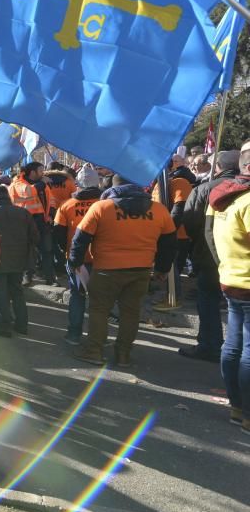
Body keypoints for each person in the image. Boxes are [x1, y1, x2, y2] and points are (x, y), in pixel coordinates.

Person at [69, 175, 177, 367]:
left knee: (99, 310)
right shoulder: (159, 210)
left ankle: (94, 350)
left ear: (113, 186)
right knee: (131, 312)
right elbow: (169, 243)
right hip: (141, 269)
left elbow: (80, 238)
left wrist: (75, 262)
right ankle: (123, 355)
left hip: (106, 269)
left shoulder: (102, 207)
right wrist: (162, 269)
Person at [205, 143, 250, 433]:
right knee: (246, 350)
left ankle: (237, 405)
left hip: (230, 277)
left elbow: (210, 233)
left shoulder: (222, 195)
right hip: (246, 281)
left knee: (233, 344)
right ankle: (247, 411)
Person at [180, 150, 240, 362]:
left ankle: (210, 345)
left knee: (209, 300)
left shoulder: (205, 189)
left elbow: (190, 221)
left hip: (210, 256)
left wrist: (198, 245)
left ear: (217, 168)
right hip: (236, 259)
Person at [52, 166, 102, 345]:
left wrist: (66, 250)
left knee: (77, 296)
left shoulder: (67, 205)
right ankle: (99, 337)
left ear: (78, 184)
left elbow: (58, 233)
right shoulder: (106, 204)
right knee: (101, 300)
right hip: (103, 259)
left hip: (76, 260)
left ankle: (74, 334)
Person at [0, 185, 38, 337]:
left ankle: (4, 325)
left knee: (0, 293)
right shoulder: (23, 212)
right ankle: (21, 324)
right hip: (19, 259)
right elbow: (35, 236)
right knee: (17, 292)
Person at [152, 154, 196, 301]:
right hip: (163, 232)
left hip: (177, 234)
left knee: (174, 267)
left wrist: (167, 232)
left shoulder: (180, 182)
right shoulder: (161, 183)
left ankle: (174, 298)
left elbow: (180, 209)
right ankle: (167, 294)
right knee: (166, 265)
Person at [10, 162, 54, 286]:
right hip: (24, 223)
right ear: (33, 172)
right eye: (41, 171)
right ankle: (27, 277)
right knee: (27, 250)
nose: (43, 173)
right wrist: (43, 183)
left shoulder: (42, 184)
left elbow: (51, 199)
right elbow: (29, 192)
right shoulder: (17, 184)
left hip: (42, 221)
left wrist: (50, 213)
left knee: (47, 250)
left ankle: (50, 278)